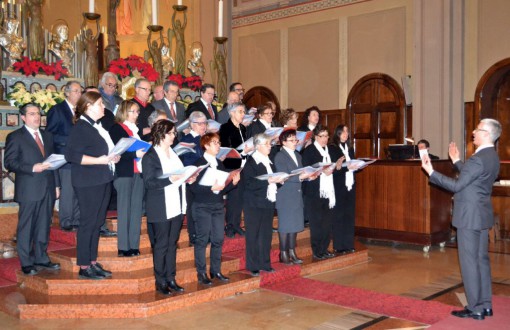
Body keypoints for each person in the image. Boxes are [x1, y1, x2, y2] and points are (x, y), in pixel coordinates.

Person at [421, 119, 501, 321]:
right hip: (481, 214)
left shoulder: (479, 158)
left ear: (486, 134)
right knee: (481, 260)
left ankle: (475, 308)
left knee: (469, 262)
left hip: (468, 216)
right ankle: (485, 304)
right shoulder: (492, 156)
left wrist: (431, 171)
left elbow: (458, 186)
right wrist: (457, 161)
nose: (473, 131)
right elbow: (473, 177)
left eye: (477, 129)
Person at [65, 91, 120, 280]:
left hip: (102, 179)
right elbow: (72, 156)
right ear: (88, 107)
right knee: (88, 223)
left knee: (97, 223)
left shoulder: (97, 126)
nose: (103, 107)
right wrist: (100, 161)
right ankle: (83, 265)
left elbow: (102, 152)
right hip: (88, 182)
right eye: (99, 104)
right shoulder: (81, 127)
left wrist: (112, 157)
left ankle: (93, 262)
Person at [4, 103, 61, 276]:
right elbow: (9, 163)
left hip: (48, 187)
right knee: (26, 226)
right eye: (31, 114)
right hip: (29, 188)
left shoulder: (48, 136)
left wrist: (57, 185)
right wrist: (31, 168)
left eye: (38, 113)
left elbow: (54, 163)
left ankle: (41, 258)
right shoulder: (15, 136)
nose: (36, 117)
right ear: (23, 117)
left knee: (44, 224)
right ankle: (26, 262)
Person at [142, 120, 191, 295]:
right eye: (171, 133)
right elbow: (149, 182)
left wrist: (188, 177)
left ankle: (171, 278)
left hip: (176, 204)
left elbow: (180, 173)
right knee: (161, 245)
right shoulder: (151, 156)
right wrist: (170, 179)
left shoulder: (173, 153)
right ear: (161, 134)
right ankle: (160, 280)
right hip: (160, 206)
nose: (173, 136)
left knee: (172, 244)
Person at [190, 133, 240, 285]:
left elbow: (222, 189)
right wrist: (210, 188)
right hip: (202, 206)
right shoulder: (198, 163)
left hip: (217, 205)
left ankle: (215, 270)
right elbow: (193, 188)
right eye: (215, 143)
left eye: (219, 142)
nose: (218, 145)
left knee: (218, 239)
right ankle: (201, 273)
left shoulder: (219, 163)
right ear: (206, 145)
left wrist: (233, 183)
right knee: (202, 240)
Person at [243, 133, 285, 276]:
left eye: (270, 144)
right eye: (267, 144)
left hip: (267, 201)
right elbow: (249, 184)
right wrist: (269, 181)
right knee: (253, 235)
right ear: (258, 146)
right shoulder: (251, 162)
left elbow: (271, 183)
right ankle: (253, 265)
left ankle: (265, 263)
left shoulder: (269, 161)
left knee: (265, 235)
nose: (270, 147)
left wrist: (279, 182)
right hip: (253, 203)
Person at [109, 101, 146, 257]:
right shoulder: (117, 128)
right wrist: (135, 154)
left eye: (138, 112)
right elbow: (117, 152)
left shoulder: (136, 130)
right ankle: (123, 246)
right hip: (124, 173)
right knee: (124, 210)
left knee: (136, 210)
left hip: (138, 172)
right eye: (133, 111)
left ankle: (134, 245)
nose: (137, 114)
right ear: (124, 112)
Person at [302, 126, 343, 260]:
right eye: (322, 136)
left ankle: (325, 248)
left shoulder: (330, 150)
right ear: (315, 137)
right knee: (316, 222)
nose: (325, 139)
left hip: (328, 191)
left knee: (327, 221)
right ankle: (317, 250)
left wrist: (337, 166)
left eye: (326, 136)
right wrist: (321, 172)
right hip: (314, 191)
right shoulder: (309, 151)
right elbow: (306, 171)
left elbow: (334, 168)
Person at [274, 129, 315, 264]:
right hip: (285, 194)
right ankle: (283, 253)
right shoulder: (280, 156)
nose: (295, 142)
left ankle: (292, 251)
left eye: (296, 140)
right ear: (283, 142)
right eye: (292, 140)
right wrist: (301, 177)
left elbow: (301, 172)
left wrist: (309, 175)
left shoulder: (298, 155)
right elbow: (284, 176)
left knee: (295, 224)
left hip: (296, 193)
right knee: (285, 225)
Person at [46, 81, 82, 233]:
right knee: (67, 190)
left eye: (80, 91)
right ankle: (66, 220)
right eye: (76, 91)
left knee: (78, 188)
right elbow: (50, 135)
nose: (79, 94)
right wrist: (69, 140)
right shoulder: (58, 110)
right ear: (67, 93)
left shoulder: (81, 111)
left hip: (80, 156)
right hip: (64, 157)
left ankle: (77, 219)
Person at [219, 102, 253, 238]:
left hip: (243, 165)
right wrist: (243, 150)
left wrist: (248, 150)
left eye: (243, 112)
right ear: (232, 113)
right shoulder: (225, 127)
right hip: (231, 166)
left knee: (240, 197)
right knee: (233, 197)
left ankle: (237, 224)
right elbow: (227, 148)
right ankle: (230, 226)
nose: (243, 114)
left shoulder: (243, 128)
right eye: (240, 111)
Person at [180, 111, 207, 245]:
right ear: (192, 125)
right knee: (193, 208)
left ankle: (204, 233)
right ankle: (194, 234)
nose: (203, 126)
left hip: (205, 177)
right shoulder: (187, 139)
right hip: (192, 178)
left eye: (205, 123)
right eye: (200, 123)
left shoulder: (207, 138)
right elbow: (186, 161)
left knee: (204, 207)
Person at [330, 125, 358, 254]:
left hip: (350, 185)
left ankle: (348, 243)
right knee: (339, 215)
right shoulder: (333, 148)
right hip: (339, 184)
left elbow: (350, 164)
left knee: (349, 214)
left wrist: (357, 165)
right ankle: (339, 245)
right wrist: (339, 167)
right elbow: (333, 168)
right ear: (337, 133)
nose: (345, 134)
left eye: (347, 131)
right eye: (343, 132)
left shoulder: (349, 148)